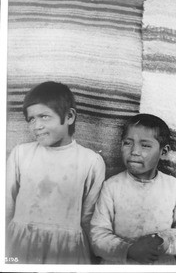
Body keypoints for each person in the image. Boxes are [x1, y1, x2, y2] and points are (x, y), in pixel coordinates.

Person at [6, 81, 105, 264]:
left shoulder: (91, 161)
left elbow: (88, 216)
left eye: (44, 116)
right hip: (20, 243)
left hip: (66, 250)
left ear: (69, 116)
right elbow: (6, 205)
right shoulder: (21, 153)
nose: (36, 126)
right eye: (31, 119)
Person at [90, 113, 176, 264]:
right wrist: (128, 250)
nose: (134, 151)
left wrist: (163, 242)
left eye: (145, 145)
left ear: (163, 151)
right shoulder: (111, 187)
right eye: (128, 143)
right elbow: (97, 234)